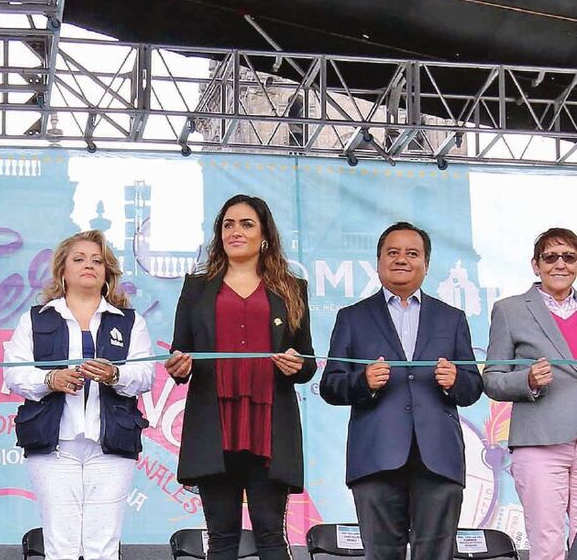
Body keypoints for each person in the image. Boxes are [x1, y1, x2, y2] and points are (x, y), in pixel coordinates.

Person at [163, 194, 316, 560]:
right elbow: (179, 351)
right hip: (214, 425)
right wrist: (178, 366)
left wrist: (299, 364)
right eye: (228, 224)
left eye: (246, 224)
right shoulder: (197, 287)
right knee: (221, 537)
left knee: (270, 533)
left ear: (264, 235)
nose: (235, 231)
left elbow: (307, 361)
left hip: (269, 425)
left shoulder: (291, 289)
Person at [320, 221, 483, 559]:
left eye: (412, 253)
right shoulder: (352, 317)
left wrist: (456, 380)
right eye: (392, 252)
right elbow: (331, 385)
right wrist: (362, 381)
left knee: (437, 553)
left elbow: (472, 387)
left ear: (426, 264)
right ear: (378, 261)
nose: (401, 259)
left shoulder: (451, 318)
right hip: (375, 457)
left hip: (438, 457)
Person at [4, 229, 154, 560]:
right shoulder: (36, 319)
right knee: (61, 542)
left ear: (108, 272)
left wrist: (115, 375)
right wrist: (51, 379)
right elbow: (13, 374)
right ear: (63, 270)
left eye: (98, 260)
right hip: (53, 444)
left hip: (112, 443)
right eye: (79, 259)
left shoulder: (130, 322)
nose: (89, 265)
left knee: (104, 542)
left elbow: (144, 376)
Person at [485, 227, 577, 560]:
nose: (560, 264)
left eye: (569, 256)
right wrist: (528, 380)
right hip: (540, 442)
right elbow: (492, 380)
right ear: (535, 265)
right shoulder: (510, 310)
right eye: (550, 257)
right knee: (548, 543)